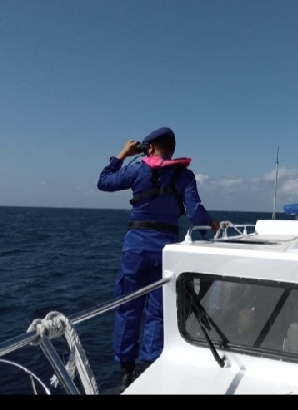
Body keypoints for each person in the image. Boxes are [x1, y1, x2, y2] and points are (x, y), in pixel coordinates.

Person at [97, 126, 220, 391]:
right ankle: (151, 366)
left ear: (150, 147)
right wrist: (212, 225)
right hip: (166, 251)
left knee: (128, 308)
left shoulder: (137, 169)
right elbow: (196, 213)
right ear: (172, 149)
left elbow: (104, 181)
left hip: (135, 250)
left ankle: (126, 370)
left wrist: (123, 153)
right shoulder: (184, 175)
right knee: (157, 312)